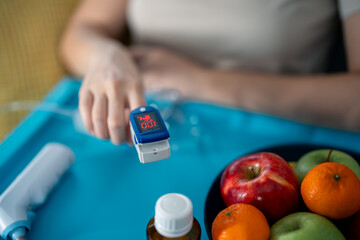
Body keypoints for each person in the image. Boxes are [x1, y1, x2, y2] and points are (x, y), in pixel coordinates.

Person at [60, 0, 360, 145]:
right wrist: (107, 56)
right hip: (144, 133)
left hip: (275, 139)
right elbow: (81, 32)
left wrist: (198, 81)